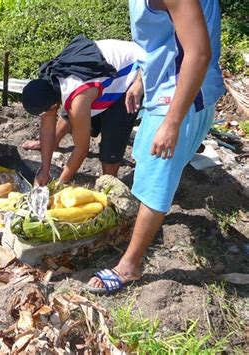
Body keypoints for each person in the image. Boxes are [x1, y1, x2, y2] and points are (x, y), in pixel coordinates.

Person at [87, 0, 225, 294]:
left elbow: (198, 54)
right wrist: (140, 80)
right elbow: (161, 40)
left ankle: (130, 266)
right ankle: (145, 225)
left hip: (181, 97)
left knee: (155, 181)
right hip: (164, 88)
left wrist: (172, 122)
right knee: (147, 168)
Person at [21, 35, 145, 184]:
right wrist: (44, 170)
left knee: (112, 139)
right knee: (73, 111)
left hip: (135, 71)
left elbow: (81, 149)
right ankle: (54, 144)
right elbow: (47, 123)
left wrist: (60, 184)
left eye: (45, 113)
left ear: (53, 106)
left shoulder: (77, 100)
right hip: (100, 72)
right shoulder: (50, 77)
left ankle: (109, 181)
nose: (45, 117)